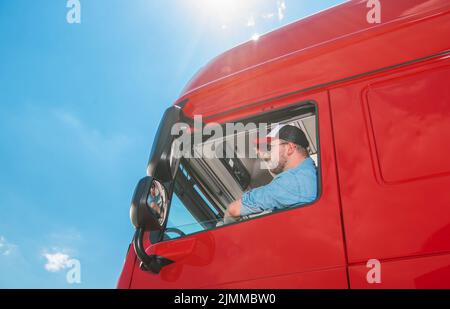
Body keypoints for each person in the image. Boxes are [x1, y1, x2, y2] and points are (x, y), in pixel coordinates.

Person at [223, 124, 317, 223]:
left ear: (289, 148)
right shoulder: (308, 173)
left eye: (269, 147)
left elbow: (233, 210)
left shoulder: (292, 181)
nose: (268, 152)